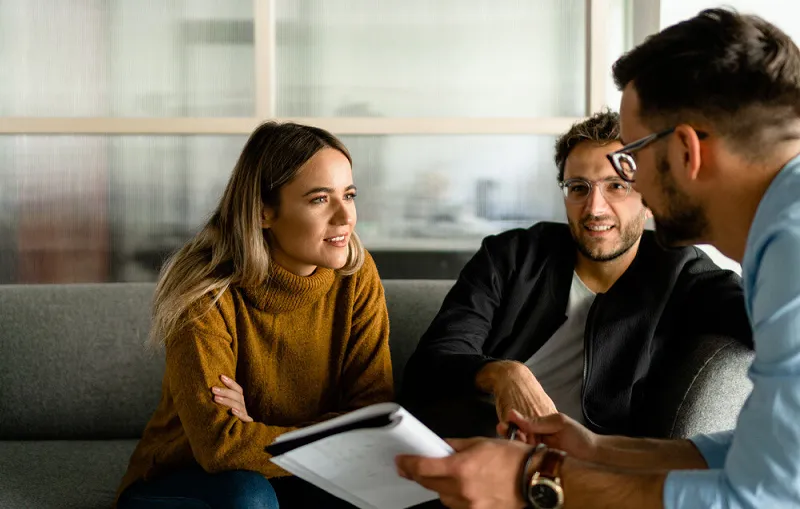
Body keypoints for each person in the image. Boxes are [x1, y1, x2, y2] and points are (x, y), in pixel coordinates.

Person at [396, 8, 800, 509]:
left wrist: (533, 479)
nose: (604, 204)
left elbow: (769, 494)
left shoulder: (787, 252)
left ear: (686, 152)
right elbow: (765, 461)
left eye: (629, 166)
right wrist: (597, 449)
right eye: (579, 187)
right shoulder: (782, 234)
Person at [401, 109, 751, 440]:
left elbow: (770, 322)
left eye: (616, 186)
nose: (594, 208)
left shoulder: (681, 272)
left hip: (576, 470)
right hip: (467, 441)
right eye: (578, 188)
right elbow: (434, 360)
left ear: (649, 198)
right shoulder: (512, 255)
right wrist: (504, 373)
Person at [116, 122, 393, 509]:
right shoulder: (204, 290)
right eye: (319, 199)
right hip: (188, 478)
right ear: (264, 212)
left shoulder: (356, 275)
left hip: (289, 469)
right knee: (249, 496)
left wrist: (255, 429)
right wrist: (330, 431)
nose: (345, 216)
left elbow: (372, 420)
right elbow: (220, 447)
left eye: (349, 195)